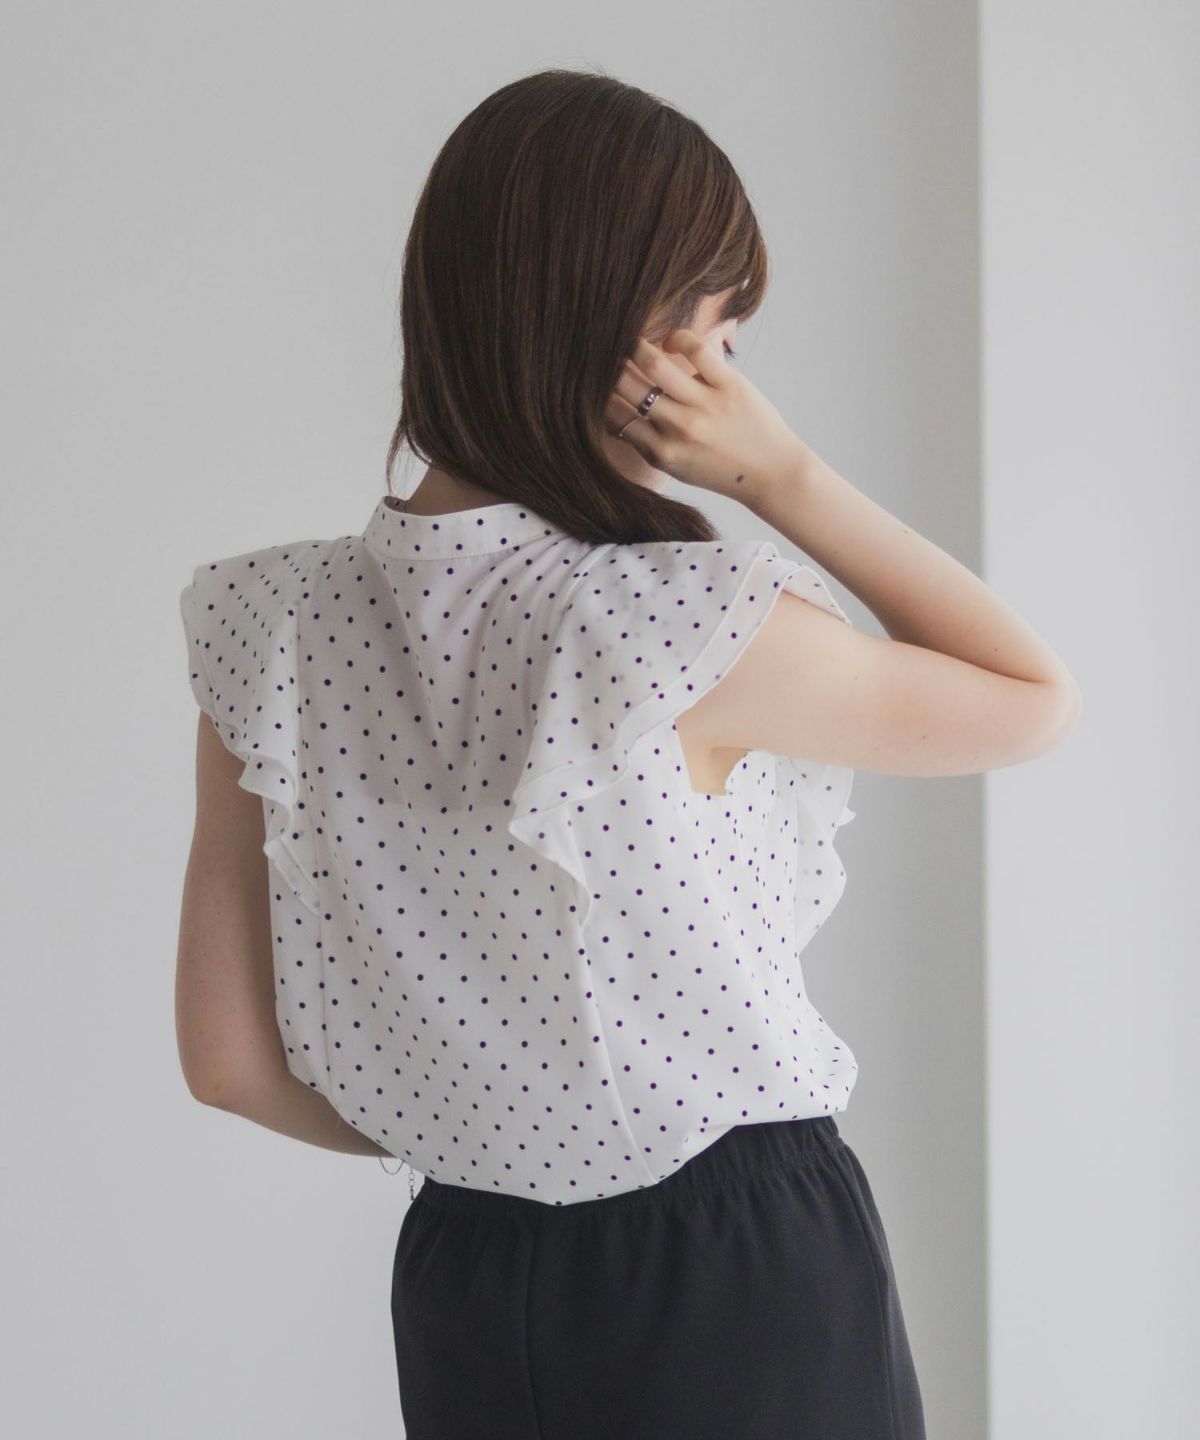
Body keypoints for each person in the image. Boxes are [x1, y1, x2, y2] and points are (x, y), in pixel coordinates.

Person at [175, 68, 1080, 1440]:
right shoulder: (670, 625)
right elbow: (1030, 699)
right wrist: (784, 477)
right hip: (740, 1272)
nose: (729, 383)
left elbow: (229, 1062)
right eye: (721, 339)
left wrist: (493, 1134)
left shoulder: (269, 626)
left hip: (466, 1269)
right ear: (638, 344)